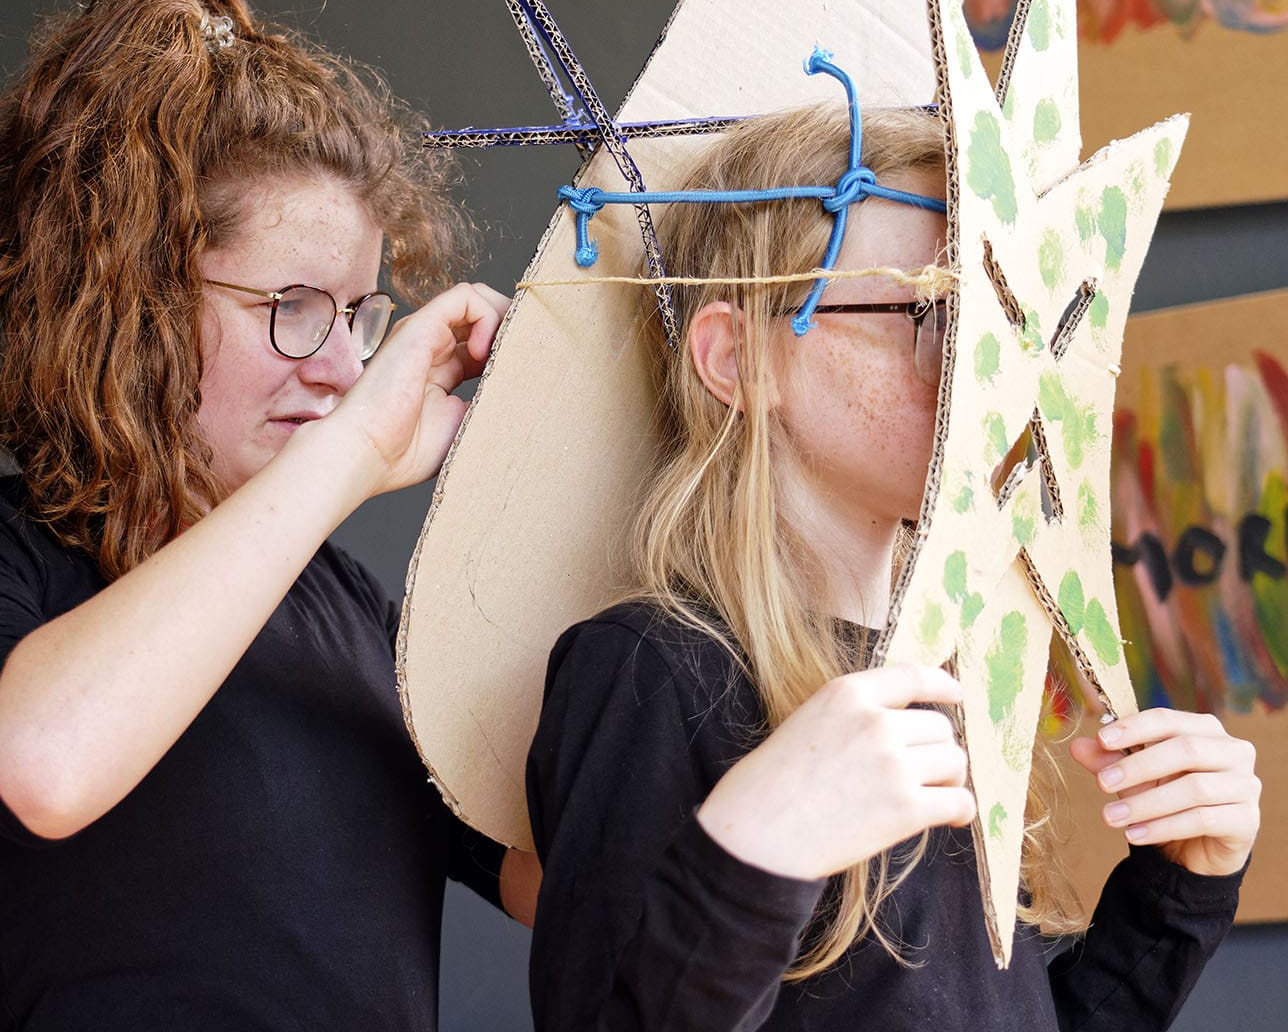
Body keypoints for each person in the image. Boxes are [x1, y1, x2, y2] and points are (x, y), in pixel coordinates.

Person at [0, 0, 537, 1031]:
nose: (346, 369)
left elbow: (553, 878)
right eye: (295, 307)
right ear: (138, 302)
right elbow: (46, 764)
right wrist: (355, 453)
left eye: (358, 314)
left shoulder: (350, 610)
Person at [524, 103, 1260, 1030]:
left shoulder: (944, 677)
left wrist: (1179, 891)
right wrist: (751, 856)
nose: (991, 366)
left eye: (1001, 319)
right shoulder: (655, 675)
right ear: (739, 357)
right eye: (934, 312)